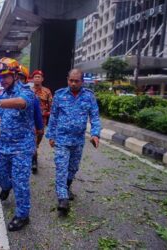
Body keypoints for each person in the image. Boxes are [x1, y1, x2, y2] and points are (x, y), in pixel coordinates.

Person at [0, 58, 35, 231]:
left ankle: (22, 215)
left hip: (22, 146)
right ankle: (6, 186)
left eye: (5, 76)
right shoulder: (2, 93)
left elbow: (22, 103)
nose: (2, 80)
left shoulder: (25, 91)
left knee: (20, 181)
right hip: (4, 143)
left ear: (14, 74)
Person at [46, 68, 101, 216]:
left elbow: (95, 117)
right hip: (62, 139)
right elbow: (54, 117)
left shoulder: (89, 96)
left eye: (77, 81)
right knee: (61, 168)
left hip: (78, 140)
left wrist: (95, 134)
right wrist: (51, 136)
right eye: (71, 80)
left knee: (73, 168)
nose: (73, 83)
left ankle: (67, 187)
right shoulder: (59, 95)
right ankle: (62, 198)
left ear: (82, 81)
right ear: (67, 79)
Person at [31, 70, 53, 173]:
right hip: (30, 121)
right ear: (32, 79)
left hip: (42, 121)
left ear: (42, 79)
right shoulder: (28, 91)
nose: (37, 78)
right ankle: (34, 162)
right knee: (33, 141)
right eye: (35, 77)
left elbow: (52, 107)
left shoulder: (47, 91)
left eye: (39, 77)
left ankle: (34, 152)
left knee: (37, 140)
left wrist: (47, 114)